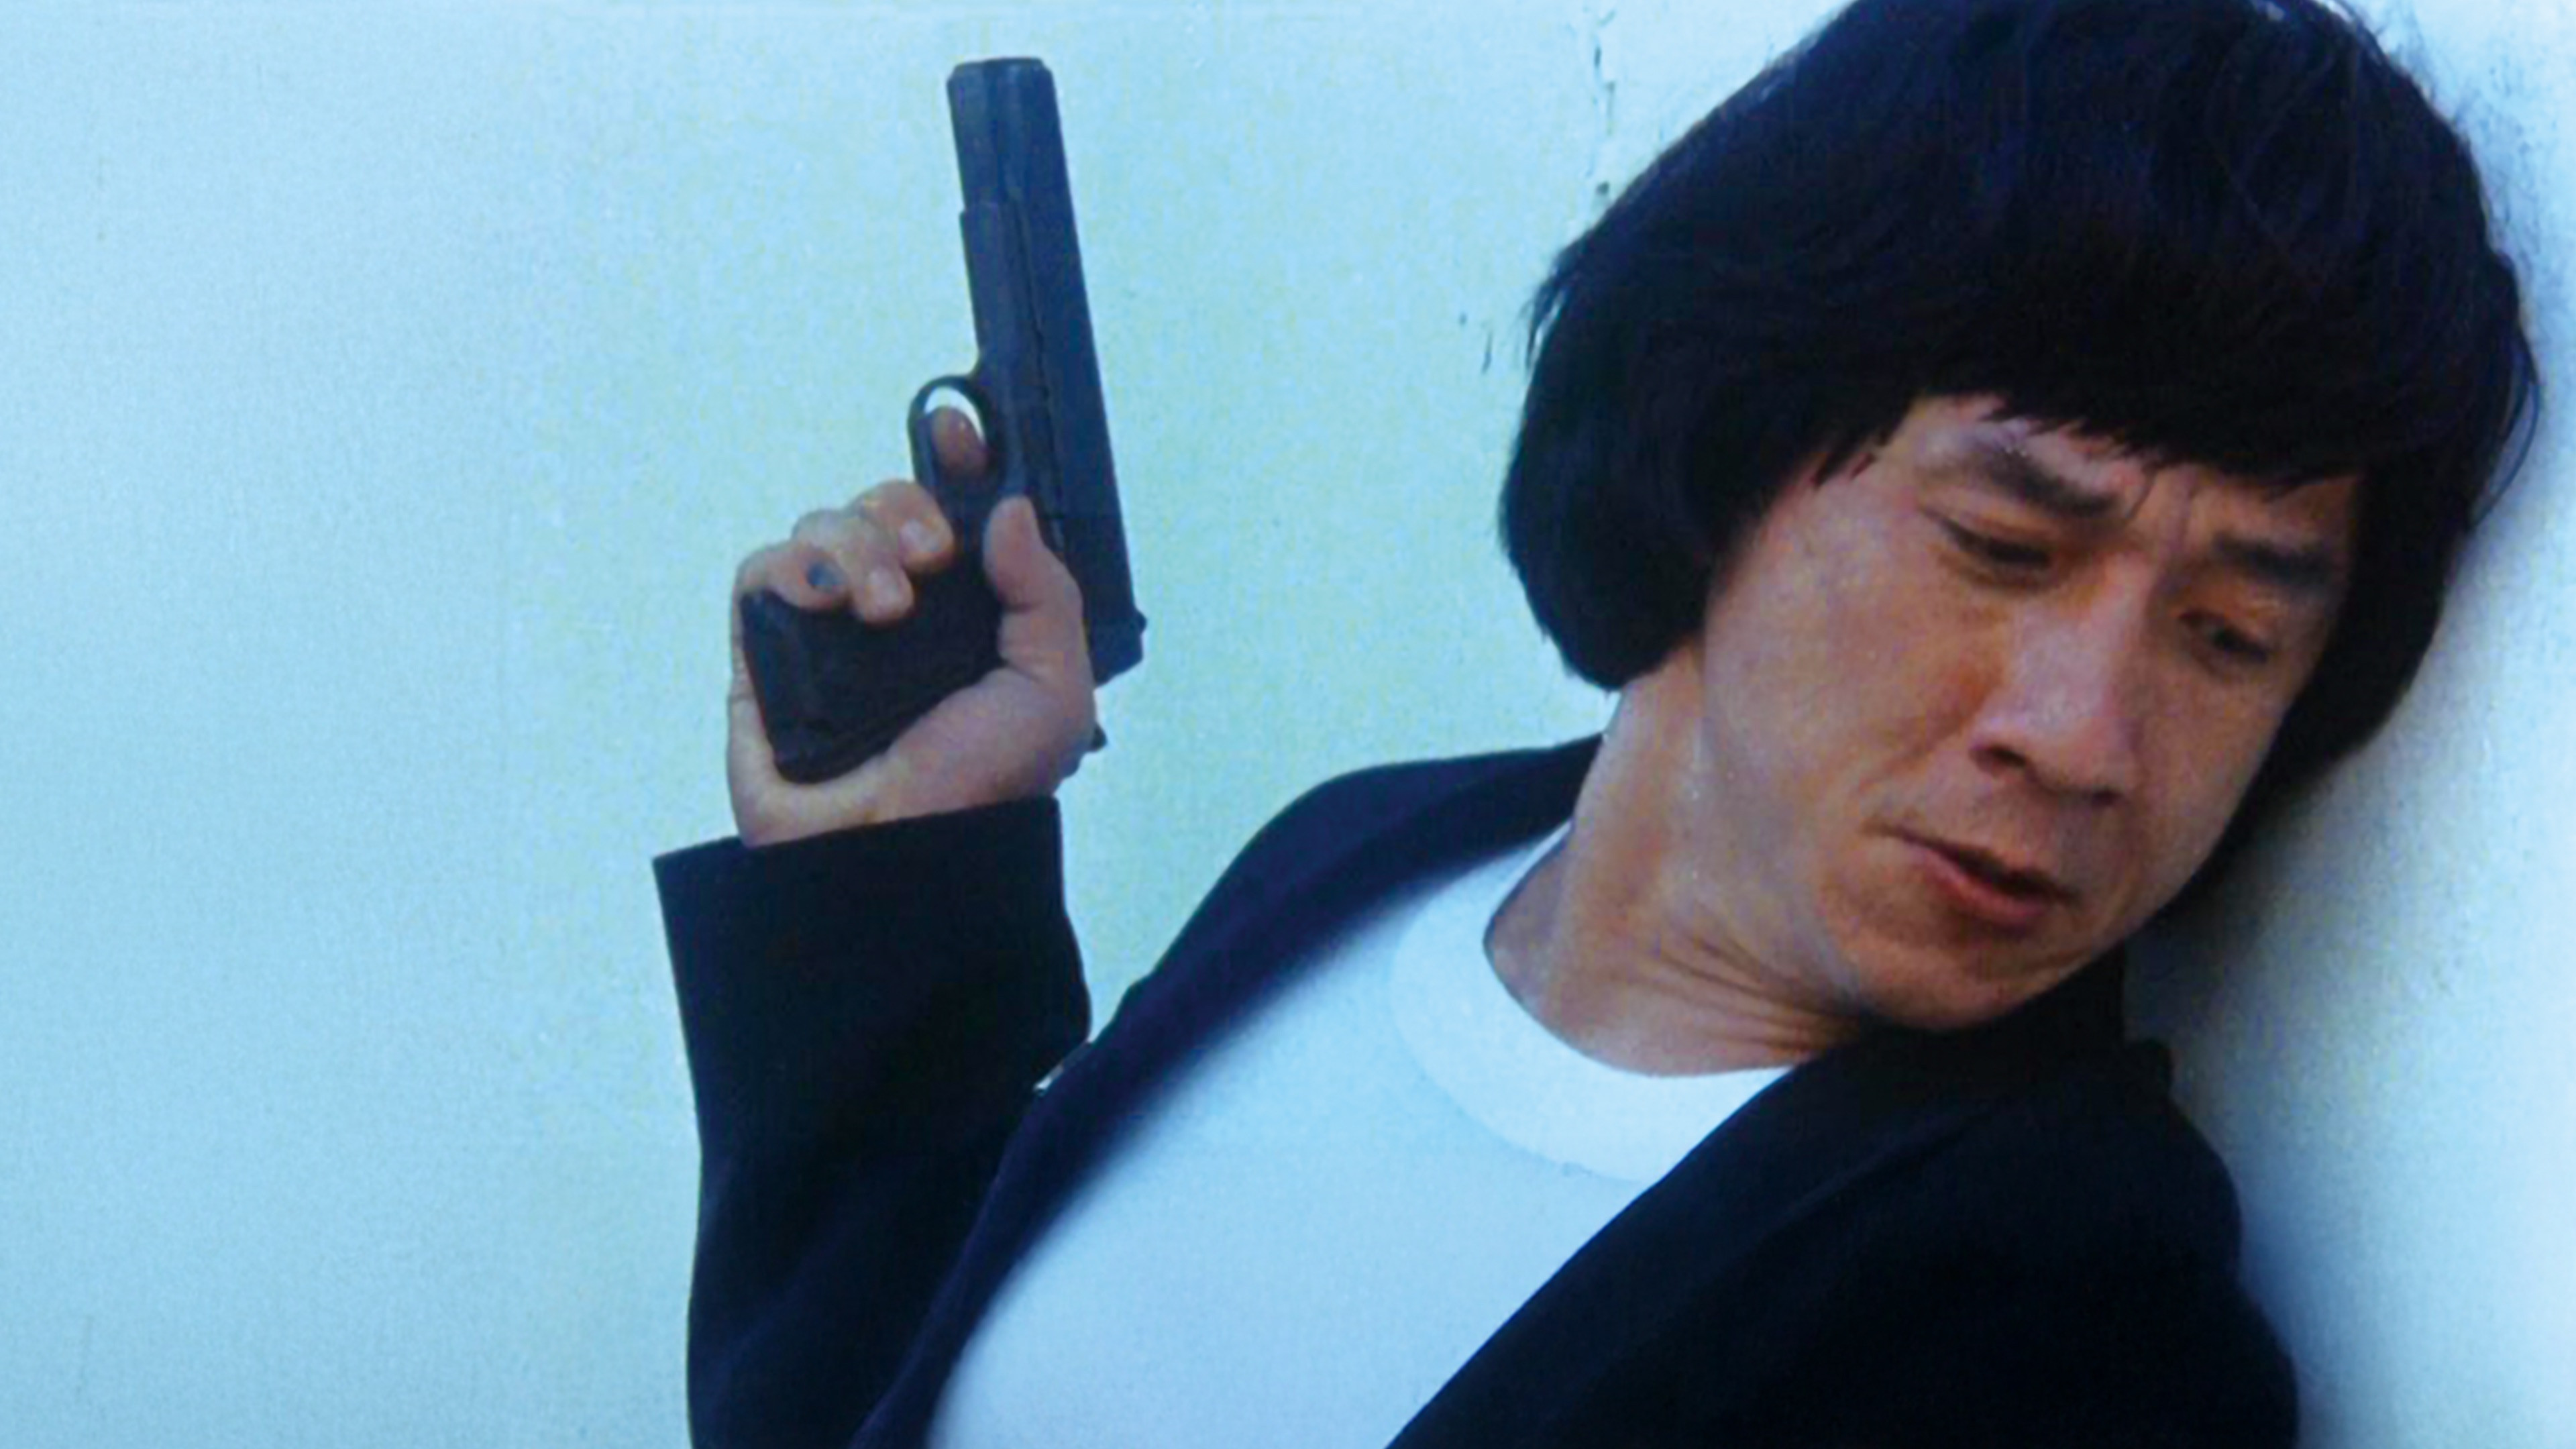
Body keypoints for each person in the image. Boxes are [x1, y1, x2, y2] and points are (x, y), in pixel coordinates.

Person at [654, 0, 2537, 1444]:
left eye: (2227, 636)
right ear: (1723, 445)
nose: (2083, 736)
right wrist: (890, 886)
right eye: (2001, 545)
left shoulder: (2071, 1337)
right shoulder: (1377, 856)